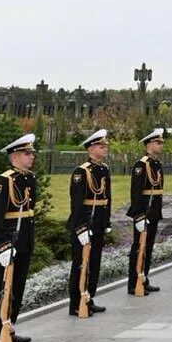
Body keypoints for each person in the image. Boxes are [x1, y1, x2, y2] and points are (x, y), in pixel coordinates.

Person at [0, 133, 38, 342]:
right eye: (27, 153)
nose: (31, 157)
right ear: (14, 156)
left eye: (32, 153)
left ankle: (9, 327)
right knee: (0, 287)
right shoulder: (3, 181)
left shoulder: (29, 178)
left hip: (24, 240)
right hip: (8, 242)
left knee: (17, 287)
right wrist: (2, 245)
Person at [67, 129, 111, 316]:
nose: (105, 149)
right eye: (101, 146)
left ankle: (88, 297)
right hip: (85, 223)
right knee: (81, 264)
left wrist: (106, 220)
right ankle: (76, 303)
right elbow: (76, 202)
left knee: (94, 263)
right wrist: (80, 227)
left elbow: (107, 198)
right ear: (91, 149)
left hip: (99, 221)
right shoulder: (81, 172)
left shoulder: (104, 169)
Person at [127, 128, 165, 294]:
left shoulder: (156, 164)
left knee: (148, 247)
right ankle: (134, 282)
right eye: (158, 142)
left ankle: (143, 277)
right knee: (139, 247)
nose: (161, 145)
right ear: (149, 144)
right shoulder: (141, 165)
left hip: (154, 211)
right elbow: (136, 193)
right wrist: (139, 215)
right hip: (144, 211)